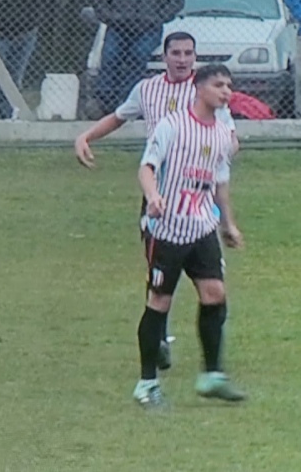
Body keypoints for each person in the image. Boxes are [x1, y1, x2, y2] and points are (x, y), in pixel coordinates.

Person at [75, 32, 240, 370]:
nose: (182, 59)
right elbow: (120, 116)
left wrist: (206, 154)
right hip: (159, 201)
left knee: (210, 283)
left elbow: (230, 142)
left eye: (188, 53)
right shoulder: (147, 90)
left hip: (199, 199)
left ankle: (211, 368)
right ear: (164, 56)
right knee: (160, 279)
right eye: (176, 53)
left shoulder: (207, 93)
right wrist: (87, 136)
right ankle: (157, 349)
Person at [132, 64, 247, 409]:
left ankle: (212, 375)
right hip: (167, 230)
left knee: (214, 294)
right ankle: (147, 383)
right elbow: (147, 167)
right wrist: (153, 196)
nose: (225, 91)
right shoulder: (172, 126)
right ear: (199, 88)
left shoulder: (224, 134)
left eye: (229, 85)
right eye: (218, 85)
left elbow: (219, 182)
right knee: (159, 302)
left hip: (201, 228)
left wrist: (228, 223)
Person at [86, 0, 185, 115]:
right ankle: (105, 102)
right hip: (117, 28)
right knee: (110, 55)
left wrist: (157, 18)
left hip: (149, 28)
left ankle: (130, 100)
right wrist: (112, 18)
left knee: (138, 55)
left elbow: (177, 0)